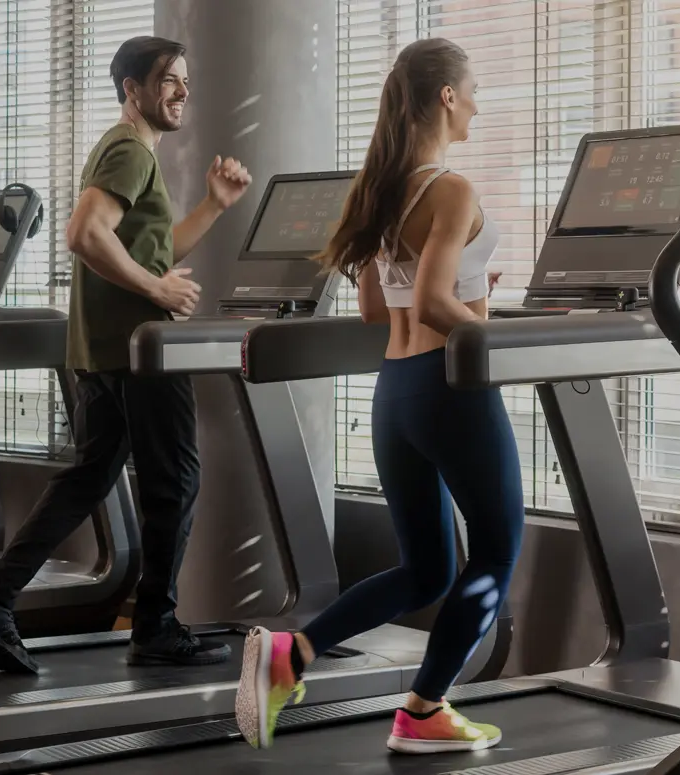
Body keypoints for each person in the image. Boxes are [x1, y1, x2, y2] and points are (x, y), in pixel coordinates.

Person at [236, 38, 520, 755]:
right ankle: (424, 709)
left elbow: (375, 307)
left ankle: (292, 653)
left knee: (425, 568)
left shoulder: (382, 188)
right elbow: (430, 301)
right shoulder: (450, 189)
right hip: (449, 389)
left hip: (395, 392)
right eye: (474, 90)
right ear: (448, 96)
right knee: (494, 554)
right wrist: (503, 337)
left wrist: (473, 296)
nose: (479, 105)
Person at [0, 36, 252, 672]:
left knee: (88, 478)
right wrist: (155, 289)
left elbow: (150, 247)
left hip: (104, 353)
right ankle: (156, 625)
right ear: (132, 89)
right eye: (168, 79)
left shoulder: (128, 153)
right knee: (176, 483)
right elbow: (85, 234)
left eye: (184, 80)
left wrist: (212, 208)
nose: (181, 91)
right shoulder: (128, 149)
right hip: (141, 354)